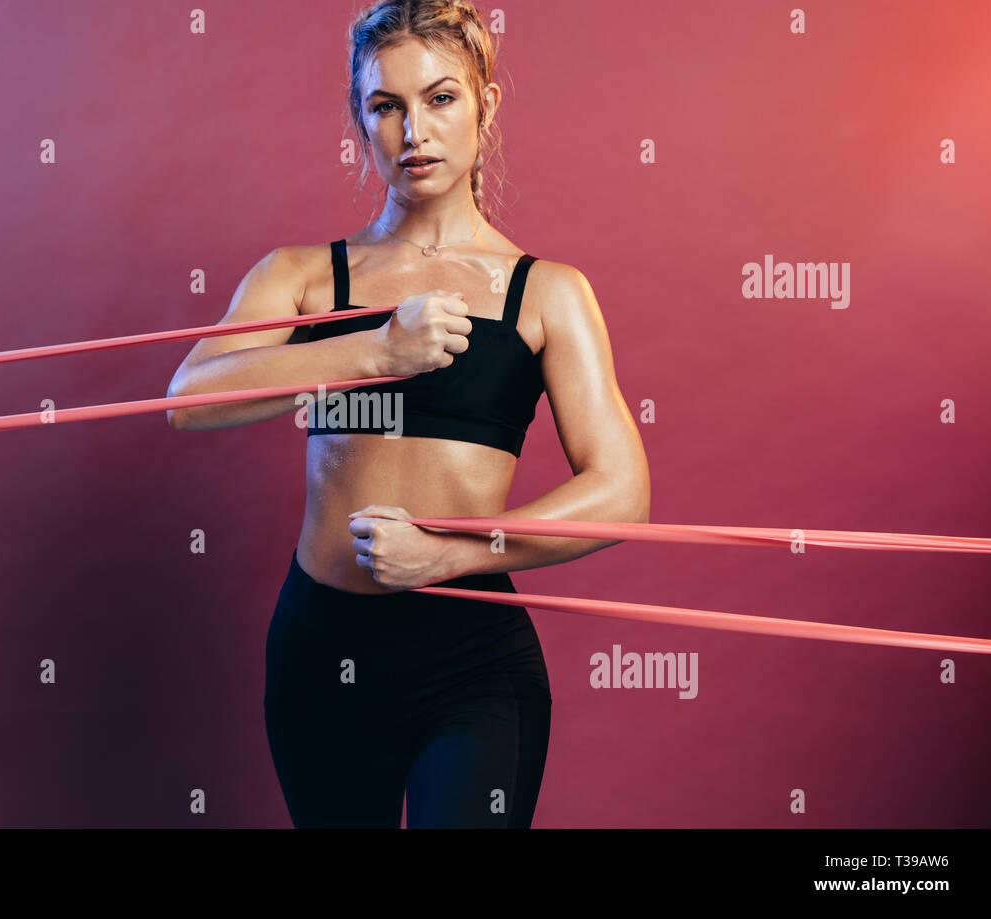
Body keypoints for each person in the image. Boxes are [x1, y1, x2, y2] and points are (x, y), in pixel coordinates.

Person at [167, 0, 649, 828]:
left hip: (471, 656)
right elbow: (189, 402)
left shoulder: (550, 293)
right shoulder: (304, 277)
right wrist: (377, 353)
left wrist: (442, 553)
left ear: (486, 104)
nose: (414, 130)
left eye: (441, 98)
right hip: (322, 644)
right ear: (361, 121)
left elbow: (621, 495)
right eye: (385, 106)